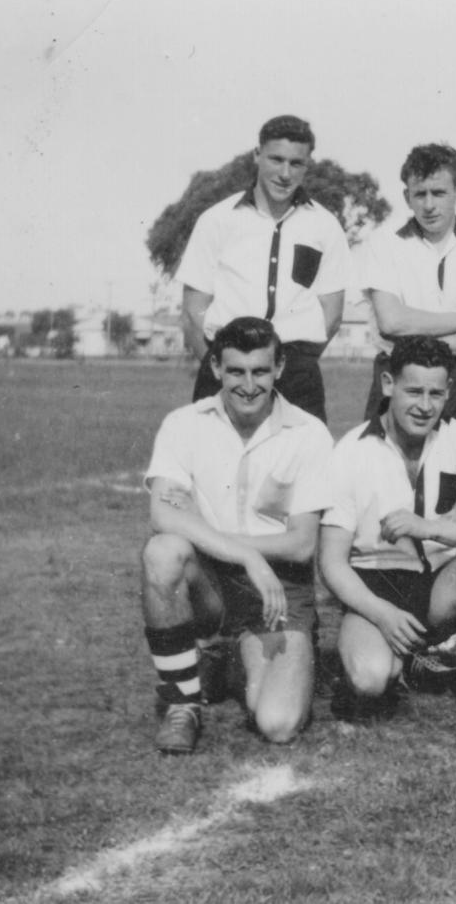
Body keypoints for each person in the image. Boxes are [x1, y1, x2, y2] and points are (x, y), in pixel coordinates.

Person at [317, 336, 456, 741]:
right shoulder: (350, 452)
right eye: (413, 391)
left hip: (438, 588)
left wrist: (430, 527)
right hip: (375, 586)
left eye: (436, 393)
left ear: (449, 392)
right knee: (369, 680)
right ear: (387, 384)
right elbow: (330, 562)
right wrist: (381, 613)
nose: (424, 405)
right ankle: (401, 659)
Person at [139, 317, 334, 754]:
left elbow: (302, 544)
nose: (248, 385)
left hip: (279, 591)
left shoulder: (309, 433)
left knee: (278, 722)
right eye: (236, 372)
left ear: (279, 369)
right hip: (212, 584)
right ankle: (182, 705)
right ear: (215, 370)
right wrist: (246, 556)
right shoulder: (183, 423)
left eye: (260, 371)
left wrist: (227, 543)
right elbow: (162, 515)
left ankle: (231, 661)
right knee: (163, 552)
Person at [176, 115, 354, 424]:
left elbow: (332, 314)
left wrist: (293, 362)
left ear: (307, 164)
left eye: (296, 163)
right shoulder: (217, 220)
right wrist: (220, 366)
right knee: (214, 466)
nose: (285, 174)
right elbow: (194, 312)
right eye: (276, 159)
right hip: (227, 368)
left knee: (304, 468)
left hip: (296, 372)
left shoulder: (325, 226)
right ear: (257, 155)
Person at [358, 143, 456, 434]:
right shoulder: (385, 241)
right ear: (407, 197)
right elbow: (391, 321)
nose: (429, 205)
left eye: (439, 193)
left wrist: (415, 335)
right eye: (420, 194)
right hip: (397, 373)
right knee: (387, 471)